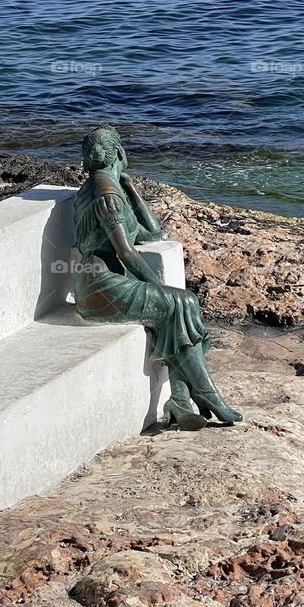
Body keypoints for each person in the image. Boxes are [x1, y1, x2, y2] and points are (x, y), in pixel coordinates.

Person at [73, 126, 242, 427]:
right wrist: (158, 285)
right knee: (181, 303)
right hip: (100, 288)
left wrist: (131, 188)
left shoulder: (102, 186)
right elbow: (126, 252)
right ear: (121, 154)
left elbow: (152, 233)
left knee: (179, 307)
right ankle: (206, 394)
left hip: (98, 283)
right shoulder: (106, 194)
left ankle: (180, 399)